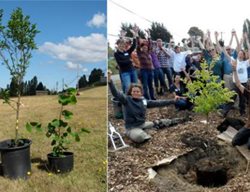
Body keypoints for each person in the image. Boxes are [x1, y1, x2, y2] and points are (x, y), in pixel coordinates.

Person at [108, 70, 190, 144]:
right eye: (134, 91)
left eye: (138, 91)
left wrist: (173, 101)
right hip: (132, 128)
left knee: (161, 122)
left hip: (142, 124)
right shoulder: (126, 100)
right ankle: (147, 133)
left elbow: (158, 103)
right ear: (130, 92)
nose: (136, 93)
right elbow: (116, 94)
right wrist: (110, 81)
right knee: (139, 136)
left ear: (141, 93)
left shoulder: (143, 101)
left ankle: (179, 120)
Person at [231, 59, 250, 148]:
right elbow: (238, 84)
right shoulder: (249, 94)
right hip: (249, 126)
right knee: (235, 142)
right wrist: (234, 70)